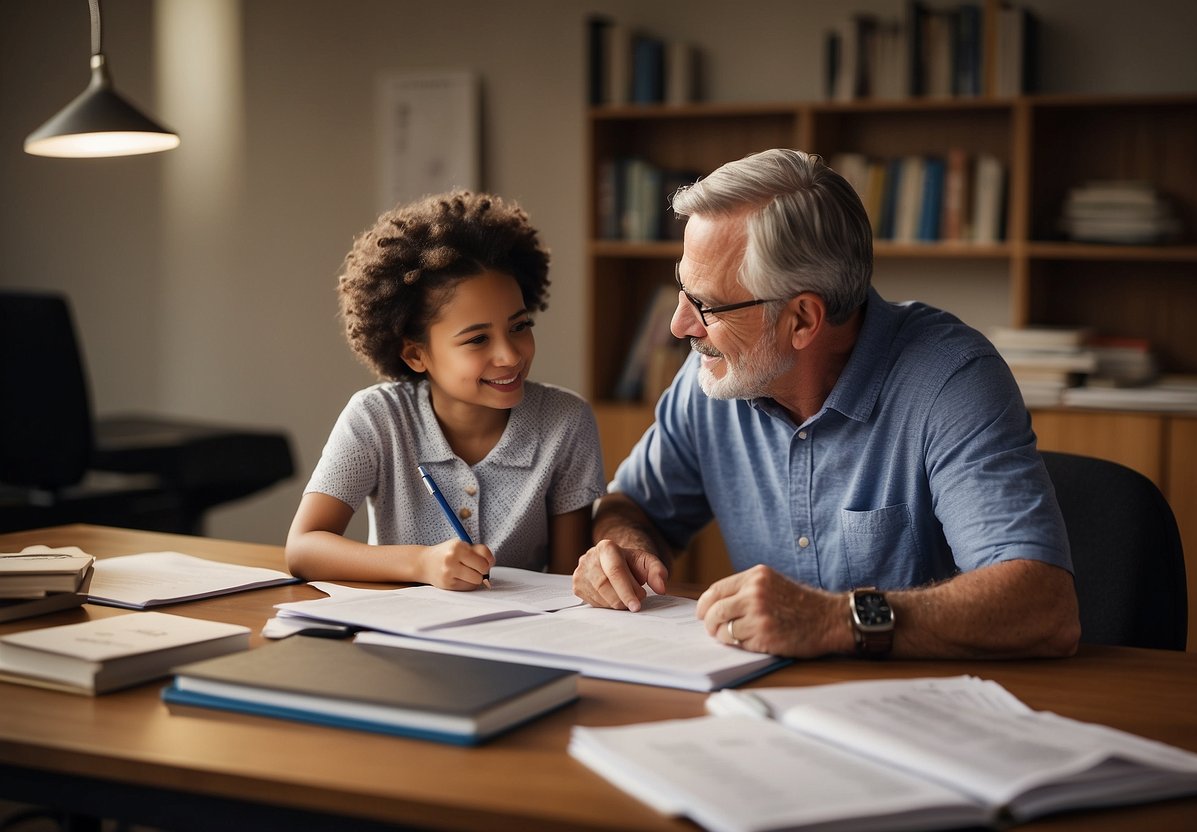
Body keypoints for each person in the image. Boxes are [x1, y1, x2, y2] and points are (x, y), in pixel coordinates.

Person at [573, 149, 1080, 660]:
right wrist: (624, 550)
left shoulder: (951, 381)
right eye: (682, 287)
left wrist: (834, 619)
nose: (679, 325)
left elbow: (1043, 606)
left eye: (706, 305)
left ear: (802, 320)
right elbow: (629, 506)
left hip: (924, 714)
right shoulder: (714, 375)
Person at [287, 190, 605, 588]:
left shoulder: (566, 422)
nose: (509, 355)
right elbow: (303, 548)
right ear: (416, 355)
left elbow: (569, 579)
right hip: (399, 637)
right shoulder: (377, 418)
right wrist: (421, 564)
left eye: (519, 327)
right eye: (477, 340)